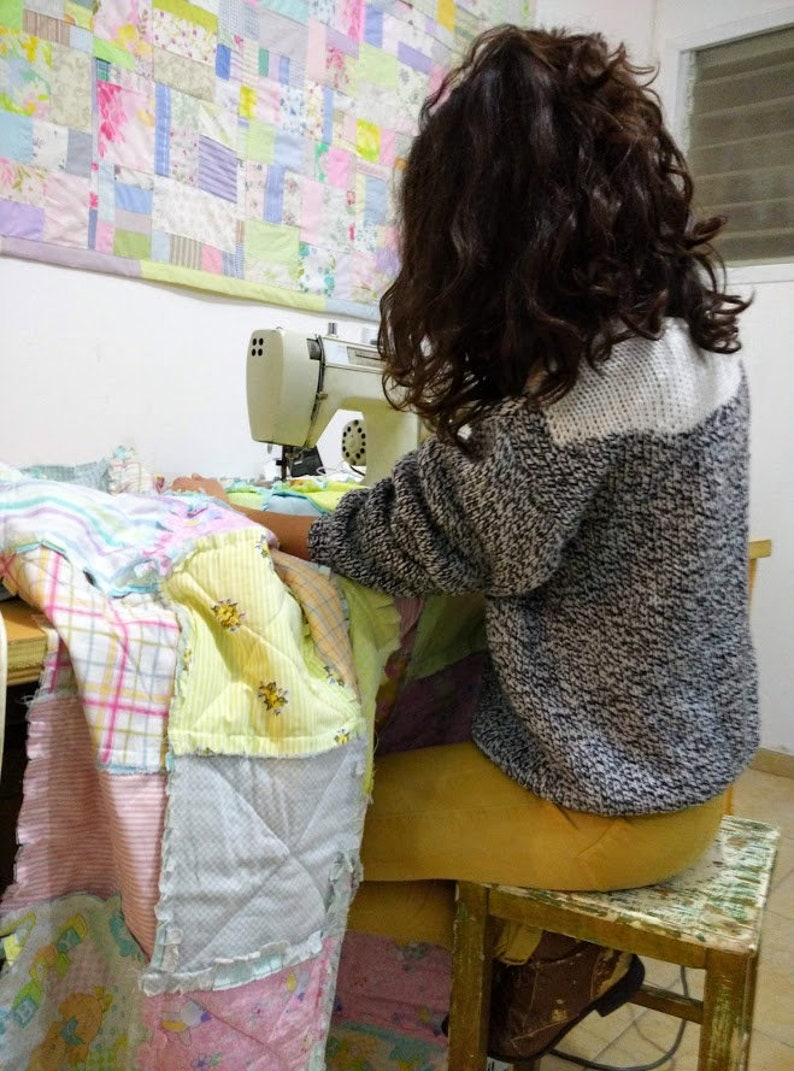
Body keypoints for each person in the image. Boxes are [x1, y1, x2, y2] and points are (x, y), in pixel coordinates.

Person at [174, 24, 757, 1063]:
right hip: (694, 765)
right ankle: (531, 948)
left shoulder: (576, 388)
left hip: (601, 794)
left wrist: (260, 518)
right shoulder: (675, 339)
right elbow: (482, 508)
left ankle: (533, 950)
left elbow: (445, 536)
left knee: (276, 850)